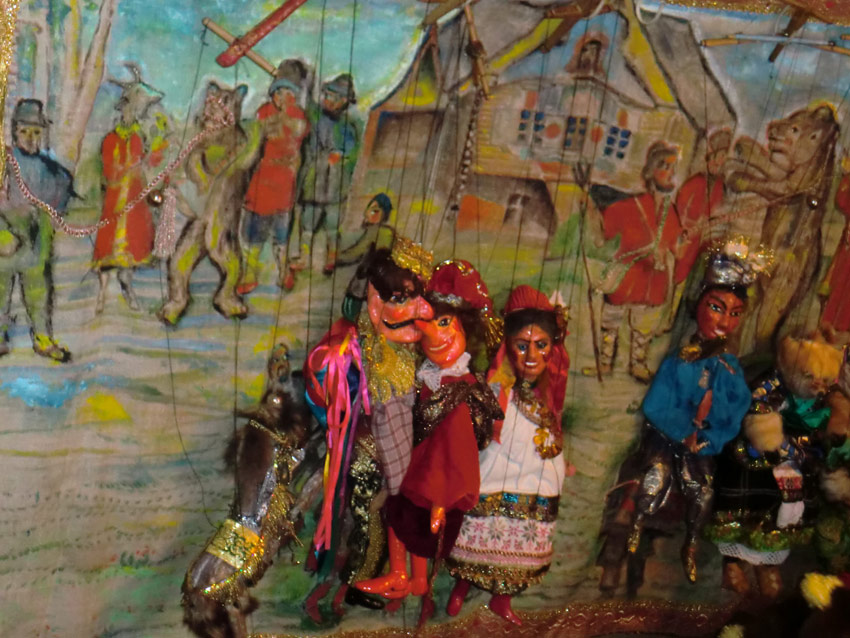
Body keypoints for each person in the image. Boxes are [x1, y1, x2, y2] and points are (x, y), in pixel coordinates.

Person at [596, 240, 765, 594]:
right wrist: (682, 430)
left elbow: (734, 412)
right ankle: (634, 525)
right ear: (699, 305)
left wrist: (709, 438)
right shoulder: (681, 358)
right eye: (717, 308)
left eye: (735, 313)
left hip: (700, 443)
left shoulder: (729, 368)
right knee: (654, 476)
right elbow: (657, 405)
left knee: (703, 490)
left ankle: (691, 542)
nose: (725, 321)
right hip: (667, 436)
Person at [354, 260, 503, 603]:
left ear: (464, 326)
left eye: (445, 323)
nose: (436, 337)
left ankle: (406, 574)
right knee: (399, 507)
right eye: (427, 327)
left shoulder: (460, 389)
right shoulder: (432, 379)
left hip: (438, 486)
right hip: (420, 475)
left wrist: (442, 499)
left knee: (403, 511)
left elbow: (457, 449)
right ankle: (411, 576)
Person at [303, 235, 434, 613]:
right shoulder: (355, 346)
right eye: (401, 298)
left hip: (398, 424)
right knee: (393, 498)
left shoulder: (403, 341)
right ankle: (392, 574)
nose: (420, 309)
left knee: (404, 496)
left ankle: (409, 575)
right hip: (372, 434)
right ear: (372, 300)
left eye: (417, 297)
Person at [445, 285, 571, 625]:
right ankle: (461, 584)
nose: (532, 356)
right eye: (522, 345)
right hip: (498, 462)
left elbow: (554, 415)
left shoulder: (546, 394)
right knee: (479, 515)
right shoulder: (498, 389)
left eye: (541, 345)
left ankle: (502, 598)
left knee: (531, 523)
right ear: (508, 346)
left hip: (535, 470)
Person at [588, 141, 682, 382]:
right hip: (627, 276)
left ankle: (638, 364)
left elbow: (677, 249)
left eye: (673, 168)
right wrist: (591, 214)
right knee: (611, 321)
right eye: (665, 167)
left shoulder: (671, 212)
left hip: (653, 280)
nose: (670, 173)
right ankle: (605, 362)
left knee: (644, 326)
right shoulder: (628, 207)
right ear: (650, 171)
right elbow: (602, 238)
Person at [0, 99, 74, 361]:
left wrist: (54, 214)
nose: (31, 138)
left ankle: (42, 338)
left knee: (39, 291)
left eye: (36, 132)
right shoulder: (5, 162)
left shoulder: (48, 167)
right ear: (14, 131)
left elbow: (63, 188)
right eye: (24, 131)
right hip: (7, 238)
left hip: (37, 240)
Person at [93, 63, 167, 314]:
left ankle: (128, 289)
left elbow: (150, 163)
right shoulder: (111, 139)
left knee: (132, 248)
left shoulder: (139, 136)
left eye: (137, 110)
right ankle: (102, 294)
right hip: (116, 199)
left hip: (135, 197)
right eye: (130, 108)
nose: (133, 113)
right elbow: (109, 171)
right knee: (107, 250)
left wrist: (155, 153)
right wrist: (126, 169)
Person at [238, 59, 309, 294]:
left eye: (287, 93)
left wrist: (285, 115)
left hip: (284, 183)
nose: (282, 97)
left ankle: (283, 271)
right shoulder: (264, 111)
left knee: (281, 234)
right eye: (278, 92)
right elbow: (258, 131)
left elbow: (299, 130)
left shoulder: (297, 115)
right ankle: (250, 273)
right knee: (253, 233)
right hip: (262, 180)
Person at [293, 73, 360, 278]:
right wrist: (308, 80)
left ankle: (331, 258)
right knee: (307, 222)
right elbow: (308, 102)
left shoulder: (347, 125)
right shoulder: (316, 115)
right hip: (314, 177)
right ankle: (304, 258)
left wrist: (341, 155)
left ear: (344, 101)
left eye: (334, 97)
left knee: (332, 224)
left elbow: (353, 150)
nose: (328, 100)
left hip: (335, 181)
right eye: (327, 95)